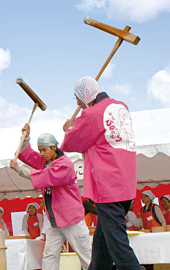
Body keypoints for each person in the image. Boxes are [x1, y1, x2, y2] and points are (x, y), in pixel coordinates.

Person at [61, 76, 141, 270]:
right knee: (102, 244)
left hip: (109, 185)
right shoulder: (121, 107)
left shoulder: (92, 114)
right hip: (126, 184)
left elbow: (71, 142)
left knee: (117, 244)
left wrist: (69, 129)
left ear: (84, 96)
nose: (78, 103)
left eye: (77, 98)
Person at [10, 126, 91, 270]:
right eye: (39, 150)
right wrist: (26, 137)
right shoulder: (45, 162)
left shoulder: (64, 164)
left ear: (54, 147)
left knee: (86, 257)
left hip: (72, 220)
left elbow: (46, 177)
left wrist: (19, 169)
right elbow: (27, 154)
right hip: (54, 221)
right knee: (49, 257)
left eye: (44, 150)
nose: (41, 153)